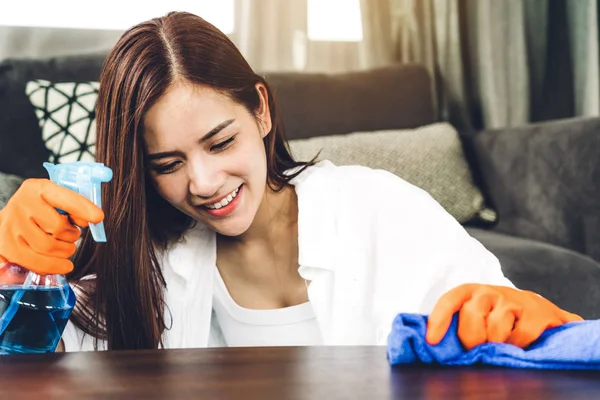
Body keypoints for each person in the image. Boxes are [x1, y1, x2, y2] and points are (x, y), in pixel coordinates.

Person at [0, 12, 582, 352]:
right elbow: (42, 349)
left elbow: (544, 342)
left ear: (261, 110)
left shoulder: (381, 208)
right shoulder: (146, 256)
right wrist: (12, 270)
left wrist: (535, 323)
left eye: (221, 141)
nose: (203, 183)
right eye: (167, 164)